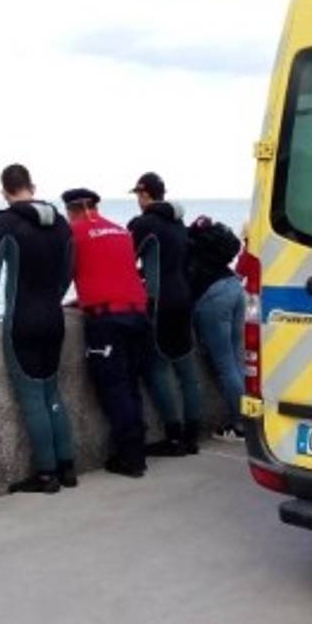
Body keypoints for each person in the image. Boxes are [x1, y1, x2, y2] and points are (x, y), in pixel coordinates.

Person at [0, 164, 78, 493]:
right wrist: (53, 298)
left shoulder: (5, 222)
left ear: (4, 191)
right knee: (52, 393)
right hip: (53, 317)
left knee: (33, 395)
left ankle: (46, 474)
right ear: (32, 186)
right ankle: (68, 468)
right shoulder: (60, 222)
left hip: (22, 320)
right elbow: (69, 270)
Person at [62, 187, 150, 477]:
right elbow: (115, 271)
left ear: (71, 210)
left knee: (114, 387)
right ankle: (138, 450)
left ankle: (130, 458)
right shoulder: (121, 231)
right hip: (137, 313)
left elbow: (65, 273)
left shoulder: (74, 233)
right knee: (132, 383)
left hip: (107, 319)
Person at [127, 172, 203, 457]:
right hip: (184, 296)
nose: (137, 200)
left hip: (160, 300)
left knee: (158, 366)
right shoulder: (178, 221)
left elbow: (127, 259)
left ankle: (173, 437)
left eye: (138, 194)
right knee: (187, 369)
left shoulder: (145, 223)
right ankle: (192, 436)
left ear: (145, 194)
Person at [187, 215, 248, 442]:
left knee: (225, 364)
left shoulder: (190, 244)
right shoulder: (211, 243)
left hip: (213, 296)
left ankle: (241, 425)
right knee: (236, 360)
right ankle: (250, 419)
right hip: (234, 287)